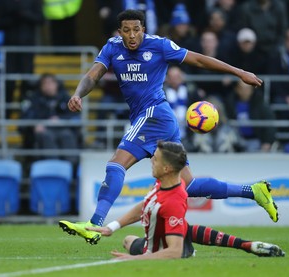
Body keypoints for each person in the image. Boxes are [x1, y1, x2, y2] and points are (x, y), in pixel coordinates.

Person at [59, 9, 276, 245]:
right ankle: (253, 191)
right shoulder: (112, 47)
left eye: (136, 30)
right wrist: (78, 94)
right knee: (189, 185)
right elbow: (93, 75)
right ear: (119, 32)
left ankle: (94, 224)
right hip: (158, 121)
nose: (131, 35)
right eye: (126, 31)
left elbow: (200, 59)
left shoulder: (160, 46)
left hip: (154, 115)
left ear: (144, 29)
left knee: (115, 164)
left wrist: (239, 72)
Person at [80, 141, 285, 259]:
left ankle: (243, 244)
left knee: (179, 237)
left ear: (167, 168)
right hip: (153, 245)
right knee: (128, 239)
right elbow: (145, 206)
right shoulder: (162, 185)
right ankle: (245, 243)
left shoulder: (175, 199)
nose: (151, 160)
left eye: (156, 159)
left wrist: (137, 259)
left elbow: (175, 251)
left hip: (164, 252)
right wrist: (112, 227)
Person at [19, 73, 80, 165]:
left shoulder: (65, 97)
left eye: (51, 83)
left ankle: (72, 168)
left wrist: (60, 119)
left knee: (67, 135)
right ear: (40, 86)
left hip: (62, 128)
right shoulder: (34, 99)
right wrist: (34, 125)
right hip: (44, 130)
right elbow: (26, 118)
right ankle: (53, 166)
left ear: (57, 84)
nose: (48, 86)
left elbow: (75, 116)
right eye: (45, 83)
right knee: (46, 136)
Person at [225, 80, 277, 152]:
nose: (244, 91)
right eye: (241, 88)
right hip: (237, 139)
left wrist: (267, 142)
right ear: (236, 89)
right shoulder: (230, 103)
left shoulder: (260, 104)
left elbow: (269, 123)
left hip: (255, 139)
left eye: (247, 88)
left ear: (252, 90)